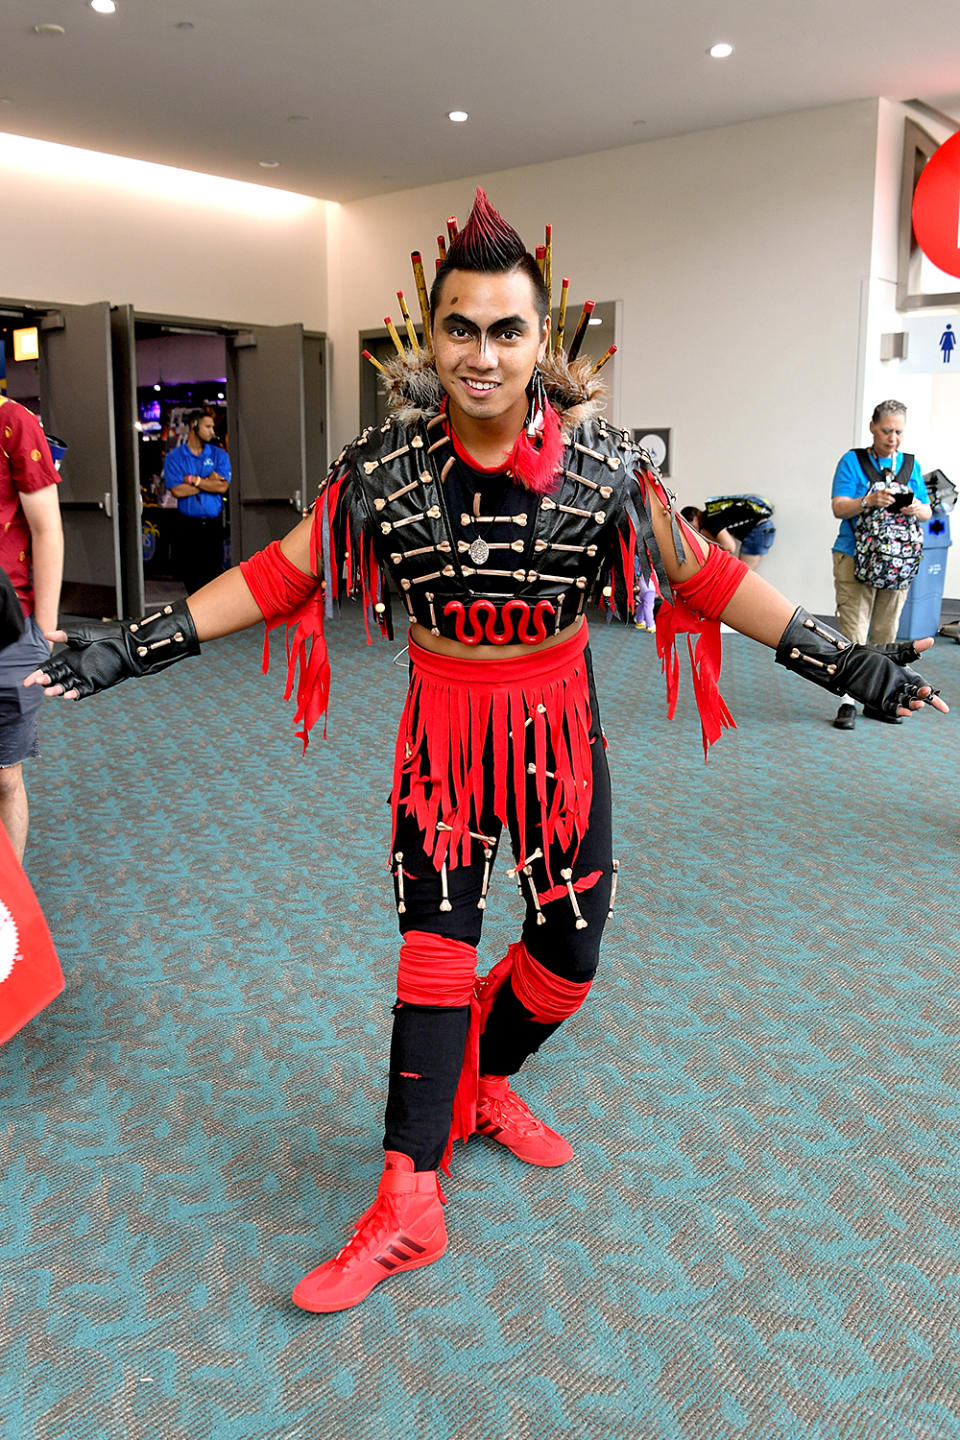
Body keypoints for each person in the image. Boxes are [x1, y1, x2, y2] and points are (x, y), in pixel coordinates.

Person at [26, 192, 946, 1315]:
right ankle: (407, 1201)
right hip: (445, 735)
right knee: (435, 959)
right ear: (428, 337)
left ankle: (483, 1084)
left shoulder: (608, 468)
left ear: (541, 342)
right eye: (460, 328)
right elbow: (283, 574)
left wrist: (841, 659)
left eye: (507, 330)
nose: (482, 353)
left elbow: (704, 574)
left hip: (560, 730)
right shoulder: (381, 464)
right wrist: (138, 642)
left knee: (566, 965)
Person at [829, 400, 931, 730]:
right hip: (854, 556)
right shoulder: (852, 461)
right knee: (853, 633)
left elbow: (928, 512)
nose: (893, 438)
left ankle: (877, 699)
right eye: (887, 430)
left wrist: (913, 507)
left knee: (886, 634)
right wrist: (868, 501)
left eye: (899, 431)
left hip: (897, 562)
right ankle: (847, 701)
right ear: (873, 427)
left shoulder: (910, 465)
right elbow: (839, 508)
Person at [0, 398, 63, 861]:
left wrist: (42, 634)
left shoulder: (13, 421)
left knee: (4, 774)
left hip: (9, 627)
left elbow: (46, 529)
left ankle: (7, 898)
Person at [163, 410, 231, 593]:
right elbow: (177, 490)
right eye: (207, 426)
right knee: (192, 578)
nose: (212, 431)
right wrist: (209, 481)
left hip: (213, 526)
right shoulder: (174, 457)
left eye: (213, 427)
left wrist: (195, 480)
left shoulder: (219, 455)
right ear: (194, 426)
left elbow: (223, 487)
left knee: (214, 578)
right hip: (187, 527)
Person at [680, 496, 775, 571]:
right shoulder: (712, 515)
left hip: (758, 530)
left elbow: (730, 547)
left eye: (688, 525)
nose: (690, 530)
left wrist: (703, 533)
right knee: (747, 574)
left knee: (743, 576)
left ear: (695, 518)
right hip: (765, 528)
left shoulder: (710, 520)